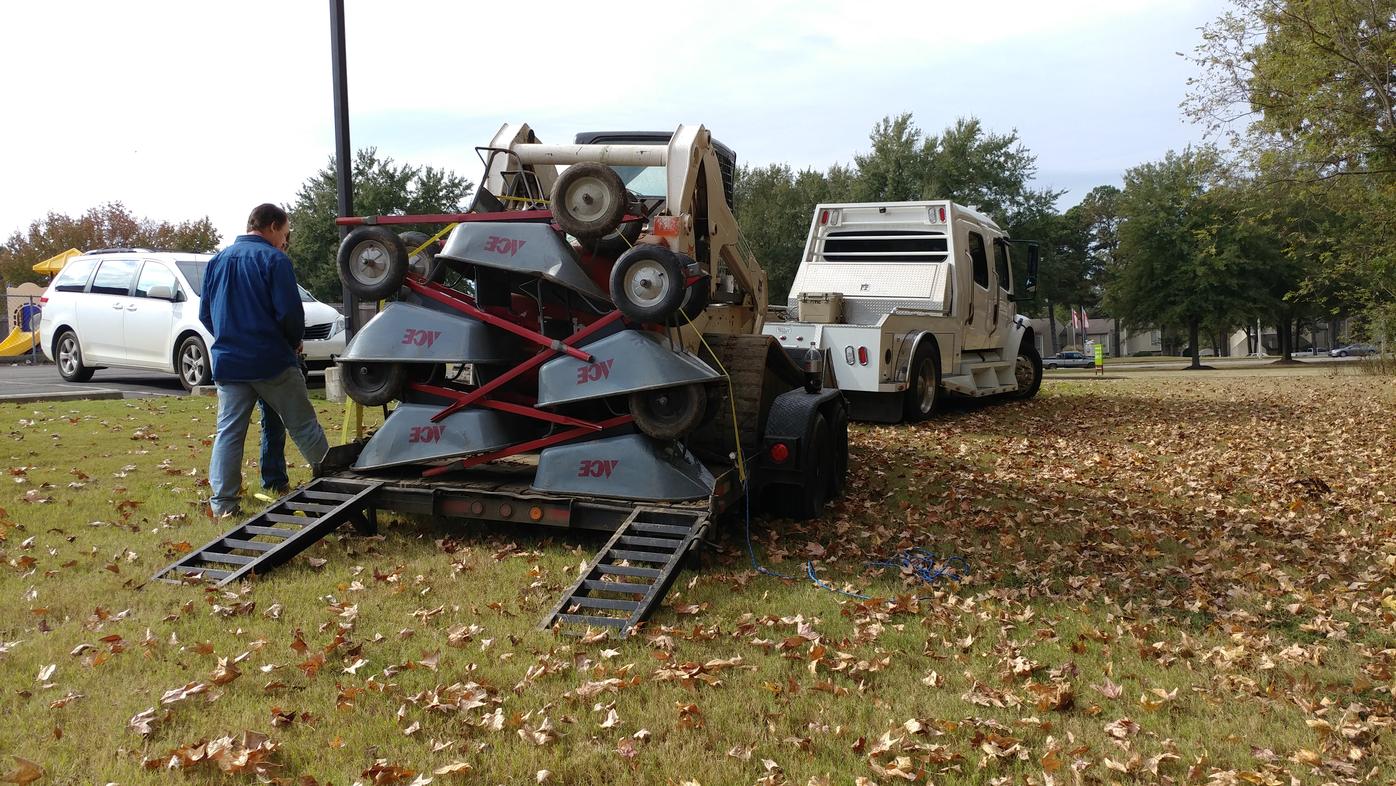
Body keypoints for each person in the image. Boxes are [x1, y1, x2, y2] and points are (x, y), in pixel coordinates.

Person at [200, 203, 328, 517]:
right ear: (272, 226)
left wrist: (230, 337)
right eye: (285, 234)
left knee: (229, 432)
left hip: (230, 362)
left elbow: (205, 314)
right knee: (303, 426)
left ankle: (223, 504)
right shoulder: (274, 259)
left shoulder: (217, 260)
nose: (285, 241)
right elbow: (290, 314)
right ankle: (334, 484)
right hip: (271, 361)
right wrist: (293, 342)